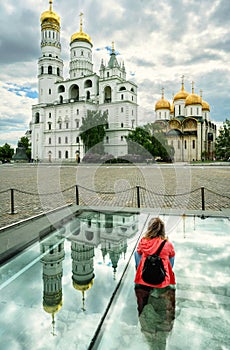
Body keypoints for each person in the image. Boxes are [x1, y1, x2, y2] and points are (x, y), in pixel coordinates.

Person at [134, 217, 176, 348]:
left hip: (144, 280)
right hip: (162, 281)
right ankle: (166, 275)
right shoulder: (167, 244)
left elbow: (138, 254)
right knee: (170, 257)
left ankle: (140, 272)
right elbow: (172, 257)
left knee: (138, 254)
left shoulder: (144, 241)